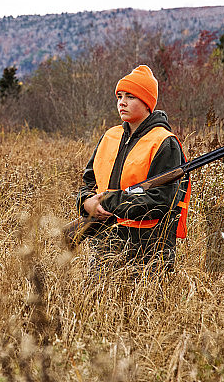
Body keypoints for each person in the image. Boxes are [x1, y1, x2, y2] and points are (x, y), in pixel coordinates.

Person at [75, 65, 190, 274]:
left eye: (131, 97)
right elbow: (89, 181)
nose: (122, 102)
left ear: (147, 103)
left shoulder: (164, 142)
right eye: (119, 96)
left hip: (147, 252)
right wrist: (86, 202)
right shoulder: (110, 136)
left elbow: (161, 200)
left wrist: (108, 201)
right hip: (104, 246)